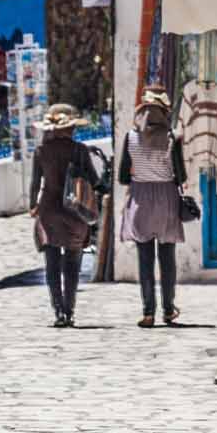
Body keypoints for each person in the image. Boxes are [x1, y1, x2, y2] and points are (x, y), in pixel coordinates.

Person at [118, 88, 188, 327]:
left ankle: (148, 312)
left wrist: (141, 172)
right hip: (166, 200)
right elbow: (180, 175)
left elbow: (123, 177)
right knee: (167, 259)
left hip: (140, 200)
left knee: (145, 260)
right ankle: (168, 310)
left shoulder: (130, 137)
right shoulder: (172, 137)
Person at [28, 104, 101, 327]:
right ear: (71, 128)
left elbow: (35, 184)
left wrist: (32, 206)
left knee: (51, 264)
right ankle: (69, 310)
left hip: (49, 210)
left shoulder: (41, 152)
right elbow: (94, 180)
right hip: (75, 213)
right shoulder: (80, 150)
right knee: (72, 264)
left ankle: (58, 311)